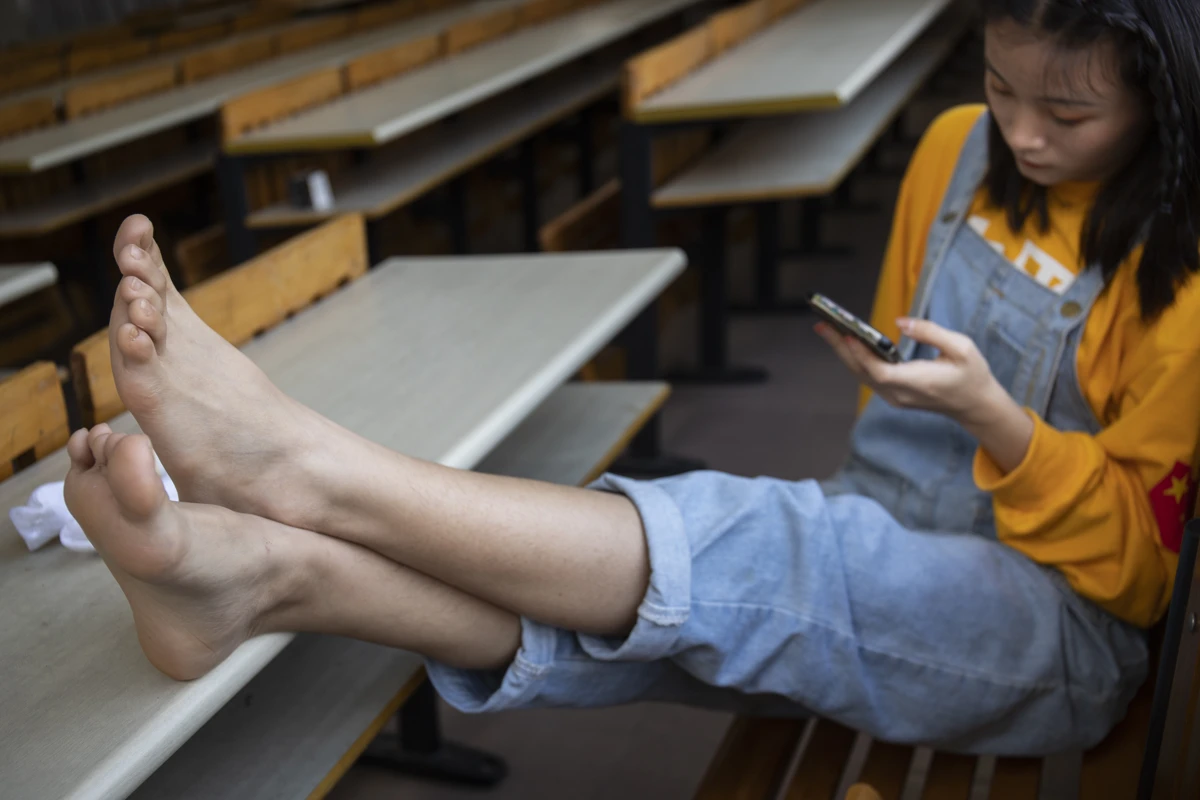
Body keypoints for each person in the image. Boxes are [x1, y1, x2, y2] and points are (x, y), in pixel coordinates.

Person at [64, 0, 1200, 755]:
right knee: (695, 607)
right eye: (1002, 86)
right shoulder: (958, 147)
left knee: (771, 556)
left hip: (1058, 627)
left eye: (1069, 112)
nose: (1023, 133)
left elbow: (1145, 581)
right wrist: (905, 388)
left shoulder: (1184, 280)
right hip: (887, 526)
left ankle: (308, 472)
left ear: (1165, 98)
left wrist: (998, 421)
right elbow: (888, 427)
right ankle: (269, 574)